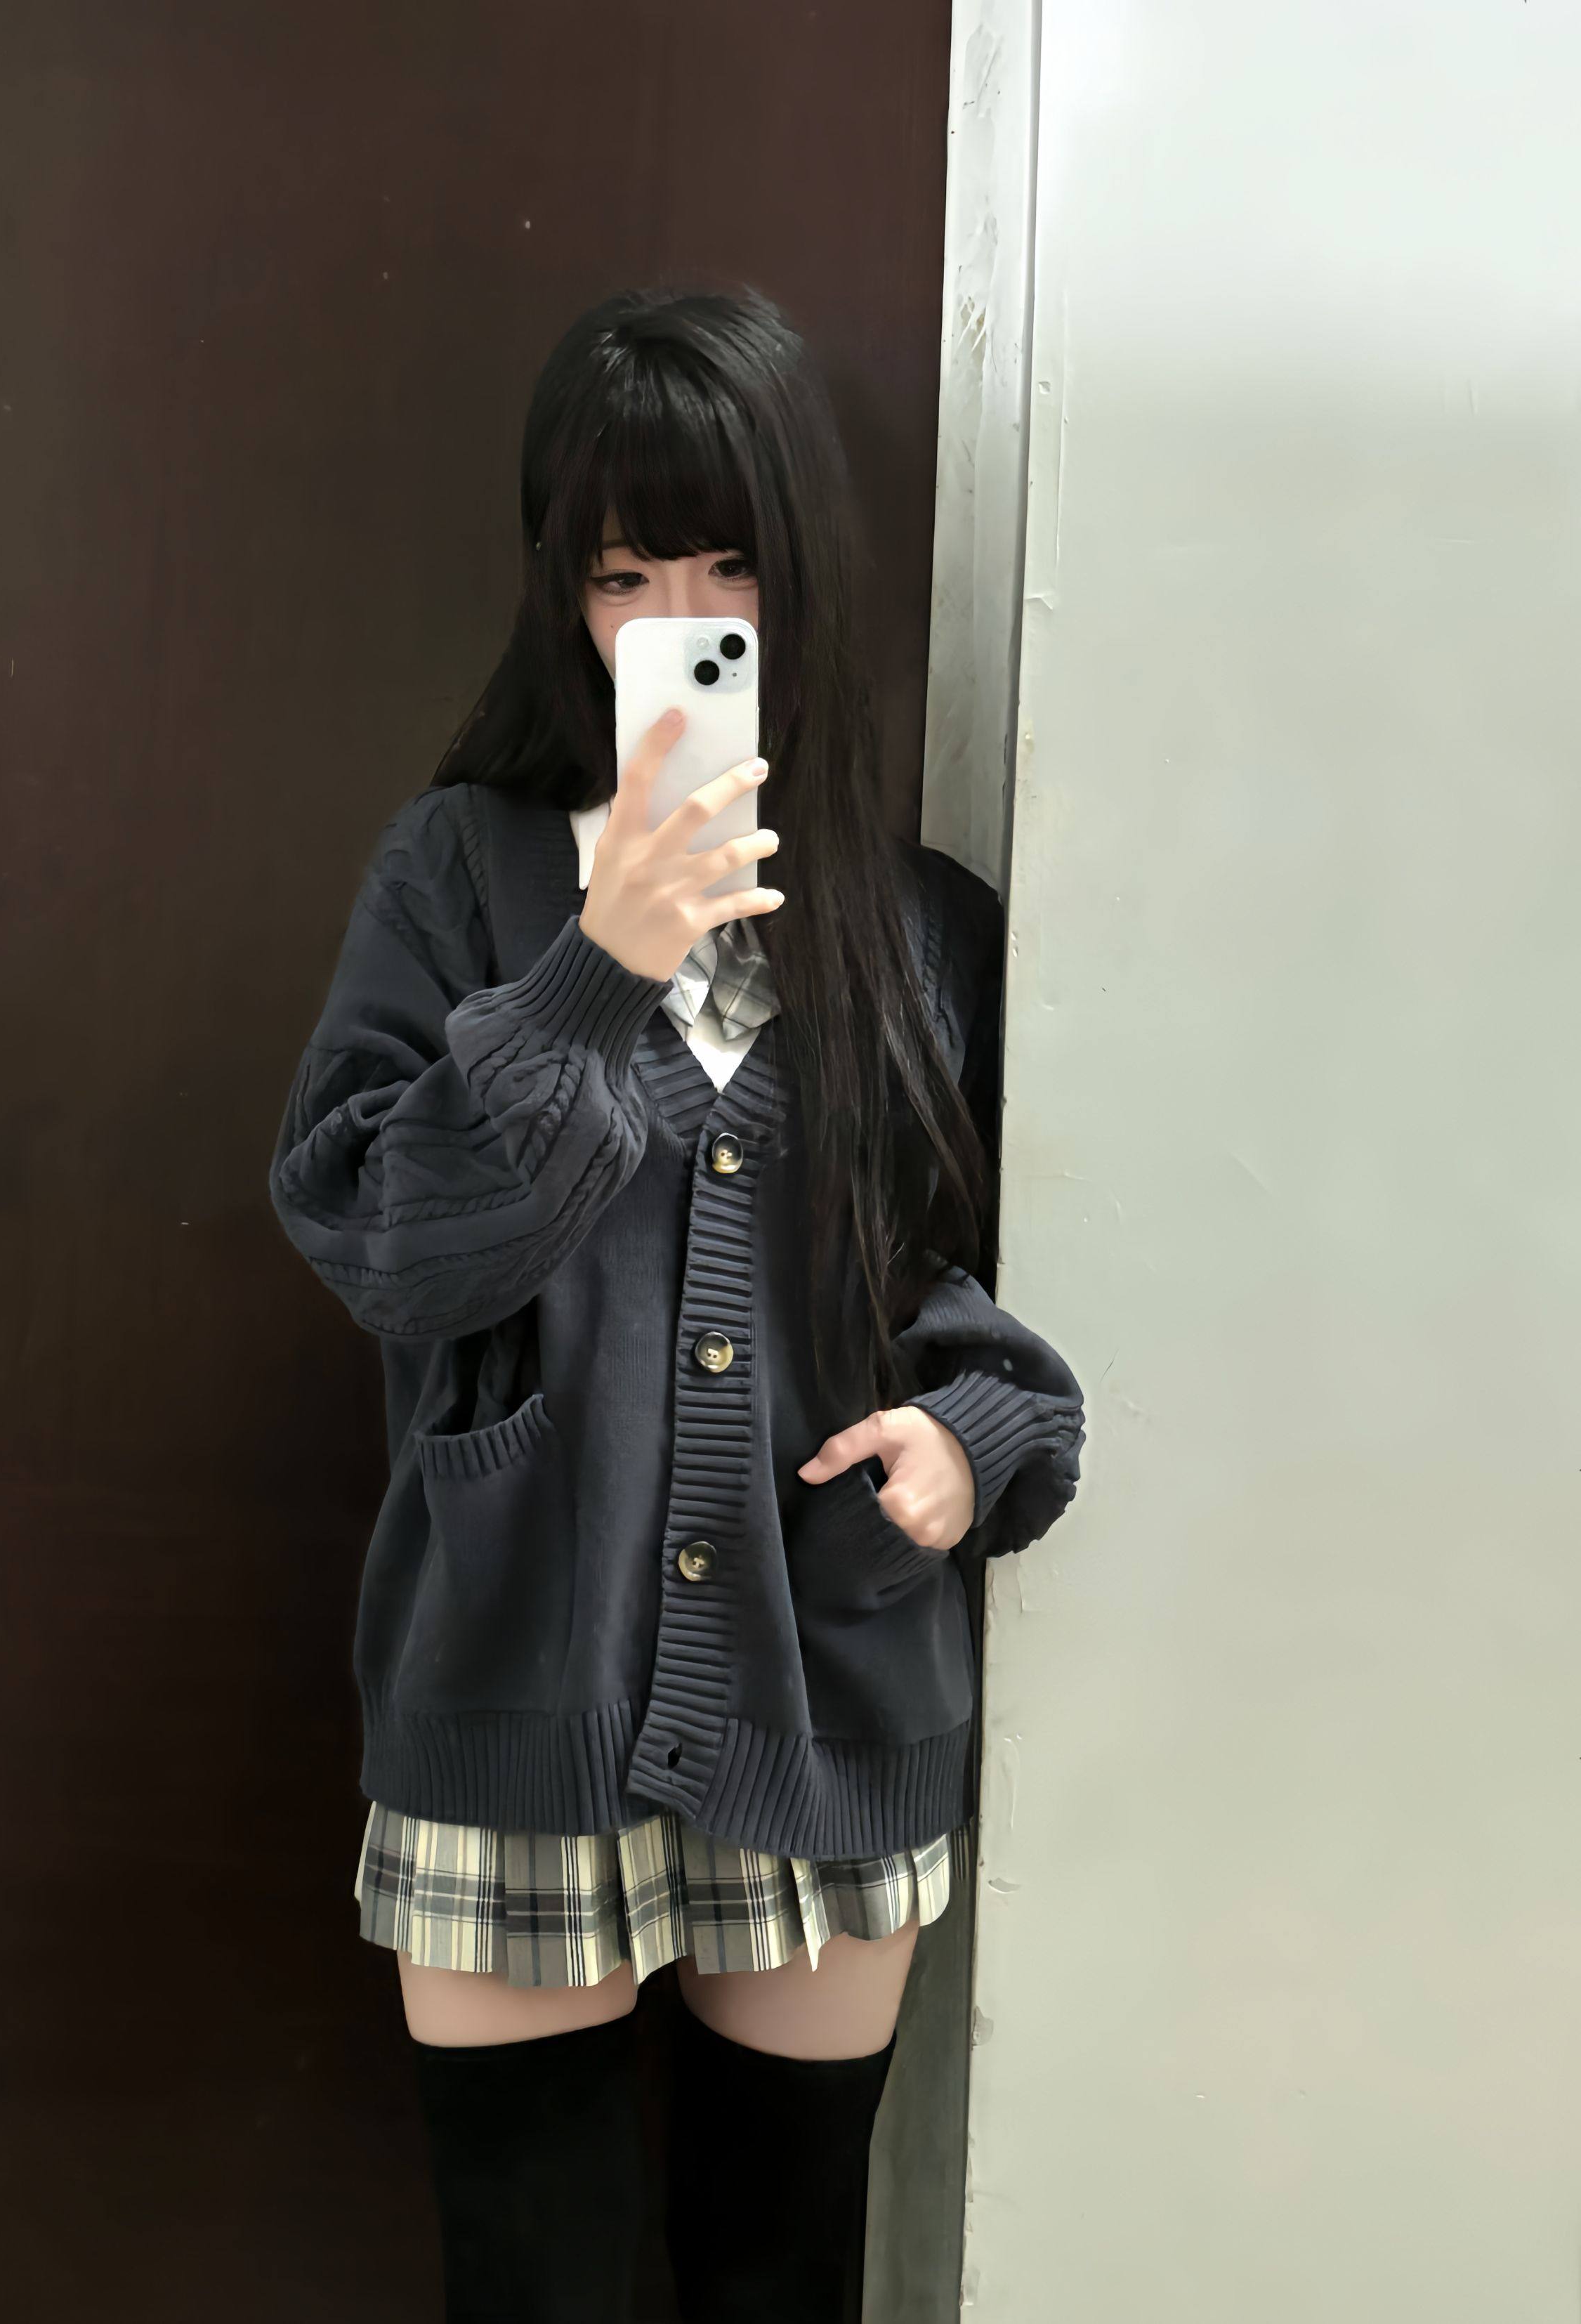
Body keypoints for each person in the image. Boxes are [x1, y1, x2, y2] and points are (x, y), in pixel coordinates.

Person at [268, 285, 1085, 2323]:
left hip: (832, 1685)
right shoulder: (461, 872)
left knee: (778, 2274)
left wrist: (965, 1436)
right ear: (564, 592)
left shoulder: (922, 928)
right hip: (511, 1686)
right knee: (531, 2281)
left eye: (727, 568)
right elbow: (385, 1243)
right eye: (626, 573)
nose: (677, 620)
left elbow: (986, 1289)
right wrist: (601, 967)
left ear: (803, 582)